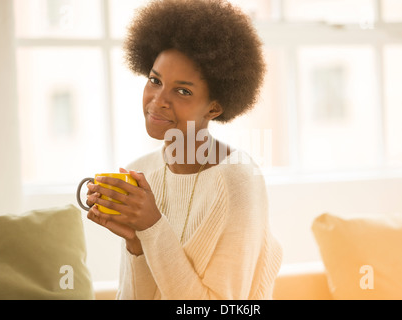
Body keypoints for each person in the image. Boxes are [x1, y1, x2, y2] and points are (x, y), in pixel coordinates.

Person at [86, 0, 282, 299]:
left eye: (182, 91)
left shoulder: (238, 182)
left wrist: (152, 226)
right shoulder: (143, 171)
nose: (158, 100)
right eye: (155, 80)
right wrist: (137, 245)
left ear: (215, 107)